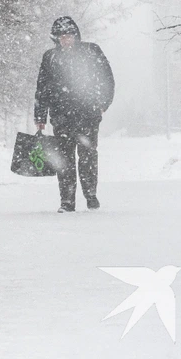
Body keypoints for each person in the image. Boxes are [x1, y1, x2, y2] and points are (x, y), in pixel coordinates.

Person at [33, 16, 114, 213]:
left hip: (88, 114)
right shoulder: (50, 57)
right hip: (61, 117)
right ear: (56, 39)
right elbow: (42, 88)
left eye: (69, 36)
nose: (66, 40)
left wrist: (102, 104)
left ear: (76, 36)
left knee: (87, 155)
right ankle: (67, 201)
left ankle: (90, 195)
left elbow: (106, 78)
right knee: (65, 159)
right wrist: (40, 116)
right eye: (61, 37)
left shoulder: (91, 51)